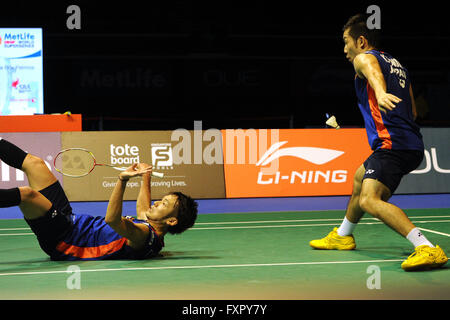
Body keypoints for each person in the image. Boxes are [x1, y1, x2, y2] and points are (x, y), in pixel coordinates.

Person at [309, 13, 448, 271]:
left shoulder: (365, 58)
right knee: (360, 178)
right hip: (408, 141)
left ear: (361, 41)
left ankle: (427, 248)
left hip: (392, 144)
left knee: (369, 199)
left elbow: (371, 72)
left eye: (345, 42)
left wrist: (381, 93)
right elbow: (414, 112)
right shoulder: (398, 65)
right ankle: (342, 235)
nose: (344, 49)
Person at [0, 138, 198, 260]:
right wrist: (145, 175)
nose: (156, 203)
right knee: (35, 164)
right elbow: (144, 206)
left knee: (27, 195)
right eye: (161, 200)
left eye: (164, 204)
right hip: (70, 221)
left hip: (64, 240)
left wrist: (122, 180)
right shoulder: (150, 227)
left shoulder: (145, 236)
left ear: (172, 221)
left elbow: (112, 220)